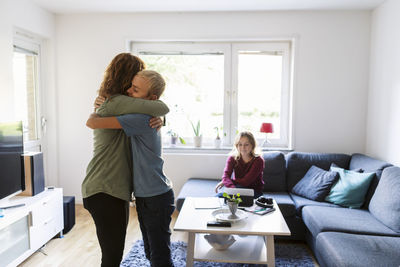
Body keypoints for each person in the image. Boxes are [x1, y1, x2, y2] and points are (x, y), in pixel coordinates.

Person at [82, 53, 168, 267]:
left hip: (107, 188)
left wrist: (162, 120)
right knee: (111, 259)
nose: (132, 88)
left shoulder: (119, 105)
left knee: (113, 256)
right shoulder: (118, 102)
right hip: (106, 189)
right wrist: (161, 116)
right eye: (133, 81)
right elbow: (159, 107)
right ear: (128, 78)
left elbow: (155, 109)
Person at [215, 131, 265, 198]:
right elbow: (226, 175)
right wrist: (232, 188)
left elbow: (246, 181)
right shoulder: (232, 158)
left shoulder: (258, 161)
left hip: (254, 192)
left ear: (252, 145)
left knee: (240, 201)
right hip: (236, 188)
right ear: (236, 145)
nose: (243, 147)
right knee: (218, 197)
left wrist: (227, 181)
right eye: (240, 144)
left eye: (246, 144)